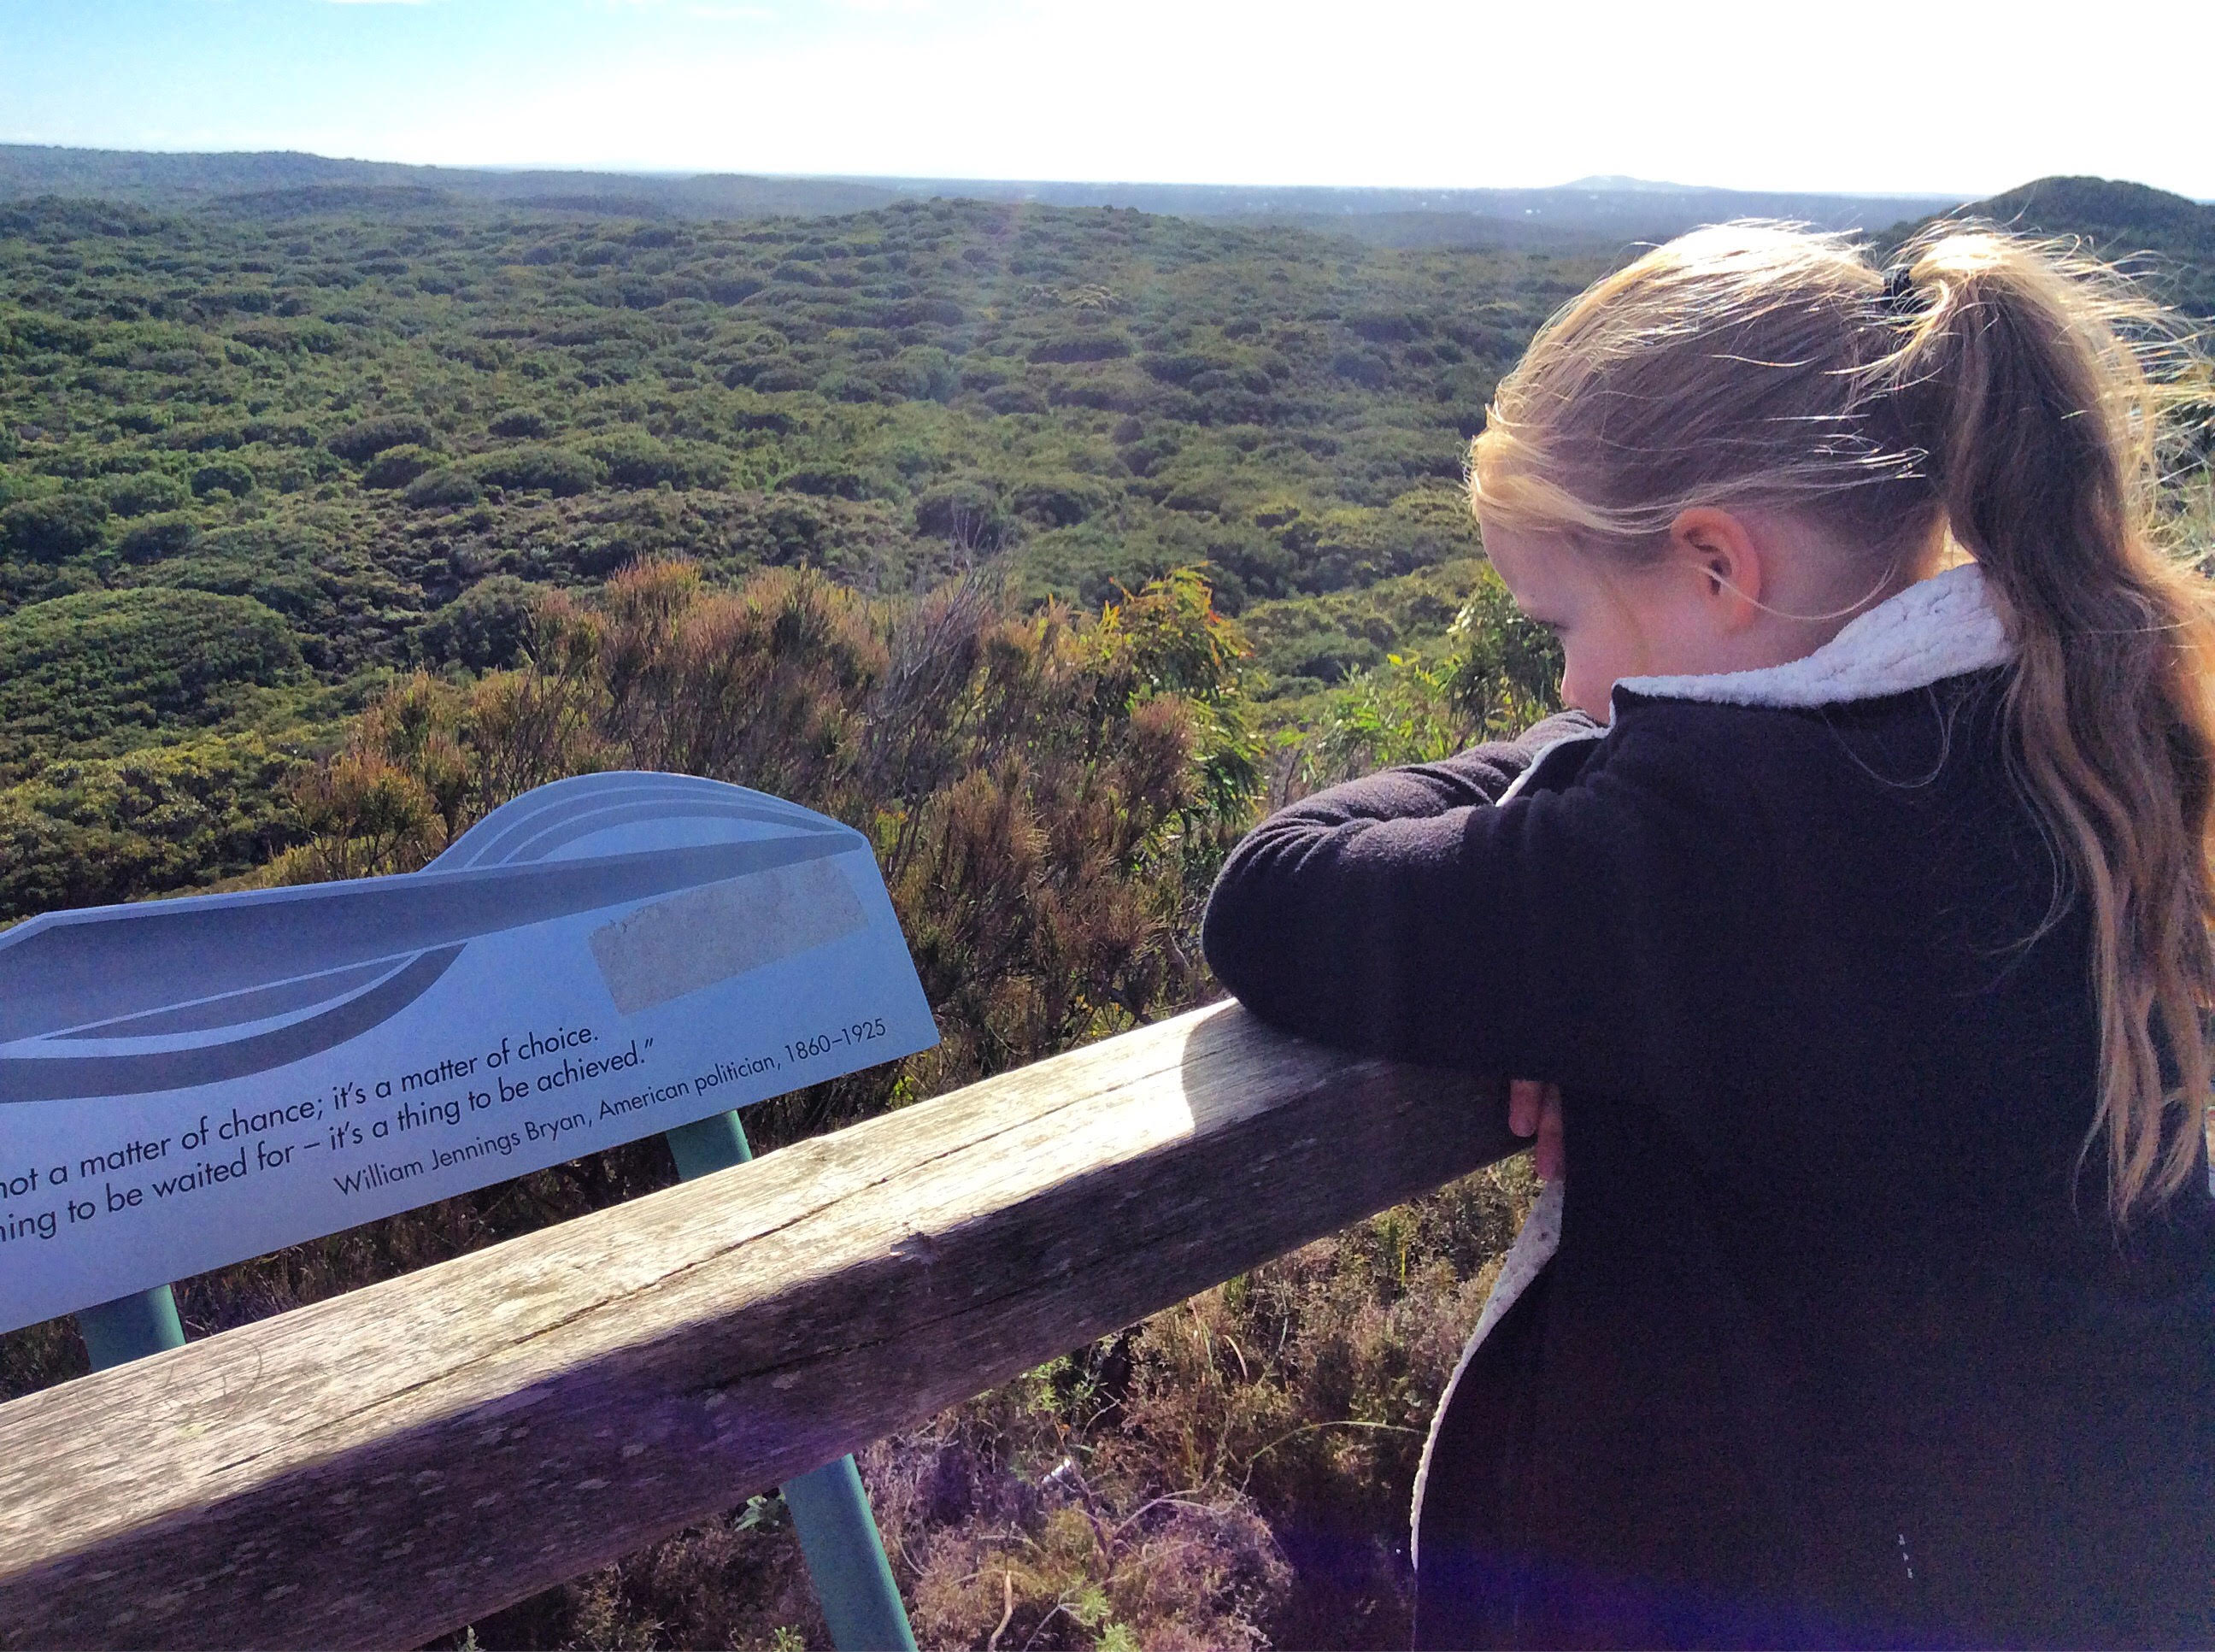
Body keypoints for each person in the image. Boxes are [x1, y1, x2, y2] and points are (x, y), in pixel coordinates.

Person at [1201, 221, 2215, 1649]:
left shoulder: (1711, 848)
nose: (1569, 683)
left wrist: (1574, 805)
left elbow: (1274, 891)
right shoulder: (2057, 724)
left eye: (1561, 623)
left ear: (1719, 566)